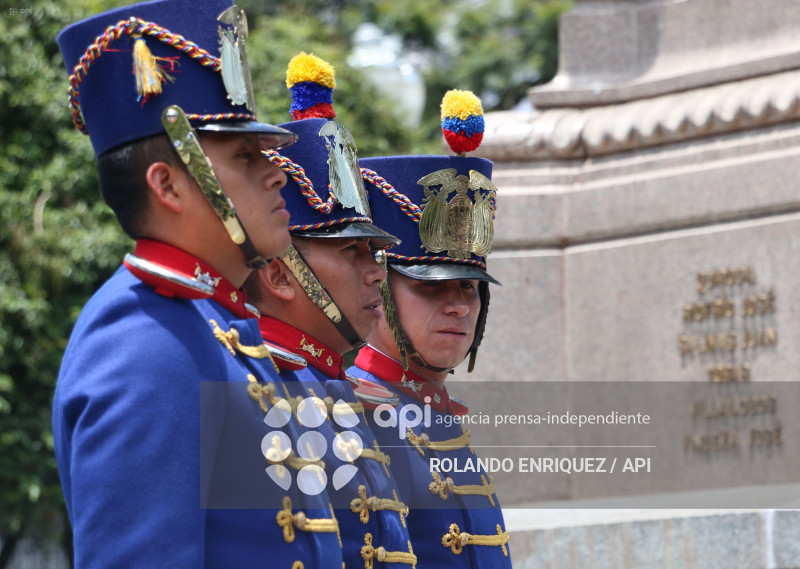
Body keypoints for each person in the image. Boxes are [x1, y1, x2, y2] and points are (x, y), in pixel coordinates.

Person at [53, 2, 343, 567]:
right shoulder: (147, 342)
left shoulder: (212, 326)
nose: (276, 171)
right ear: (167, 185)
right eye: (244, 155)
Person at [243, 52, 418, 568]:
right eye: (350, 252)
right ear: (279, 274)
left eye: (374, 253)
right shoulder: (256, 386)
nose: (376, 273)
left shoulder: (331, 386)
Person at [349, 90, 513, 567]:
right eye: (431, 288)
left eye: (468, 288)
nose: (458, 307)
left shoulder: (435, 410)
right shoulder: (351, 414)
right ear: (378, 287)